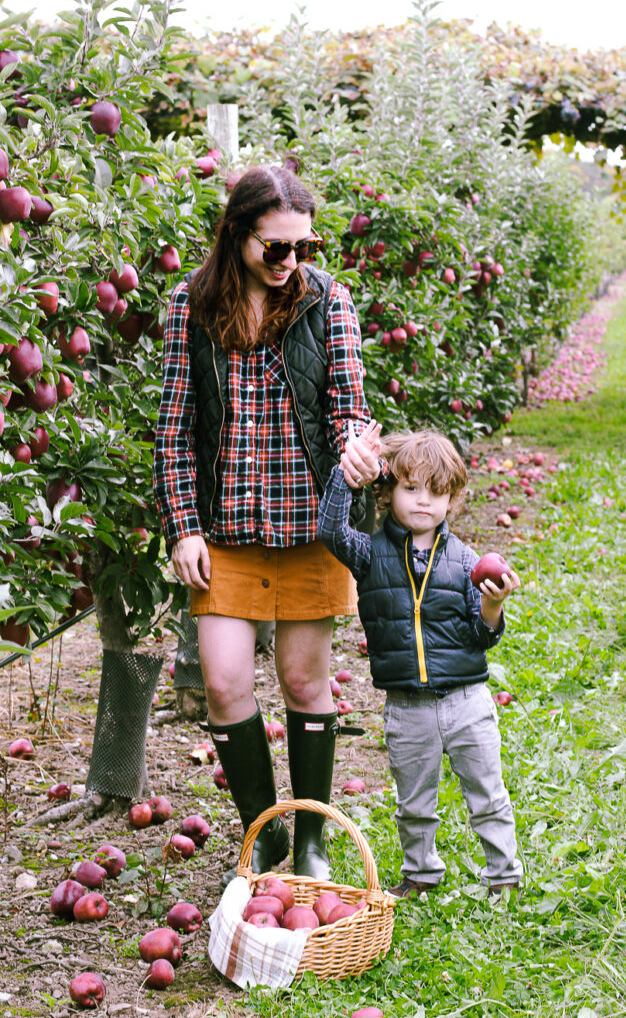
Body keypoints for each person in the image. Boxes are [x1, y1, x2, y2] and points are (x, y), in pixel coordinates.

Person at [153, 164, 379, 881]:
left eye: (302, 247)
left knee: (304, 682)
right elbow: (174, 429)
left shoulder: (327, 302)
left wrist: (356, 450)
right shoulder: (190, 305)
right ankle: (265, 836)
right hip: (226, 530)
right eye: (275, 248)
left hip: (308, 528)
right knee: (223, 683)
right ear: (236, 236)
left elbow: (347, 405)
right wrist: (184, 526)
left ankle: (310, 838)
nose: (290, 263)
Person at [317, 425, 524, 899]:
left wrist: (493, 606)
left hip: (467, 700)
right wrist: (347, 477)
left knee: (488, 792)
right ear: (389, 491)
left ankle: (504, 875)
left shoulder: (466, 561)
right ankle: (421, 873)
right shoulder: (369, 554)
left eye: (437, 492)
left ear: (452, 499)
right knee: (414, 803)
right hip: (406, 706)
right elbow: (329, 529)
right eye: (412, 489)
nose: (424, 501)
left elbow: (482, 636)